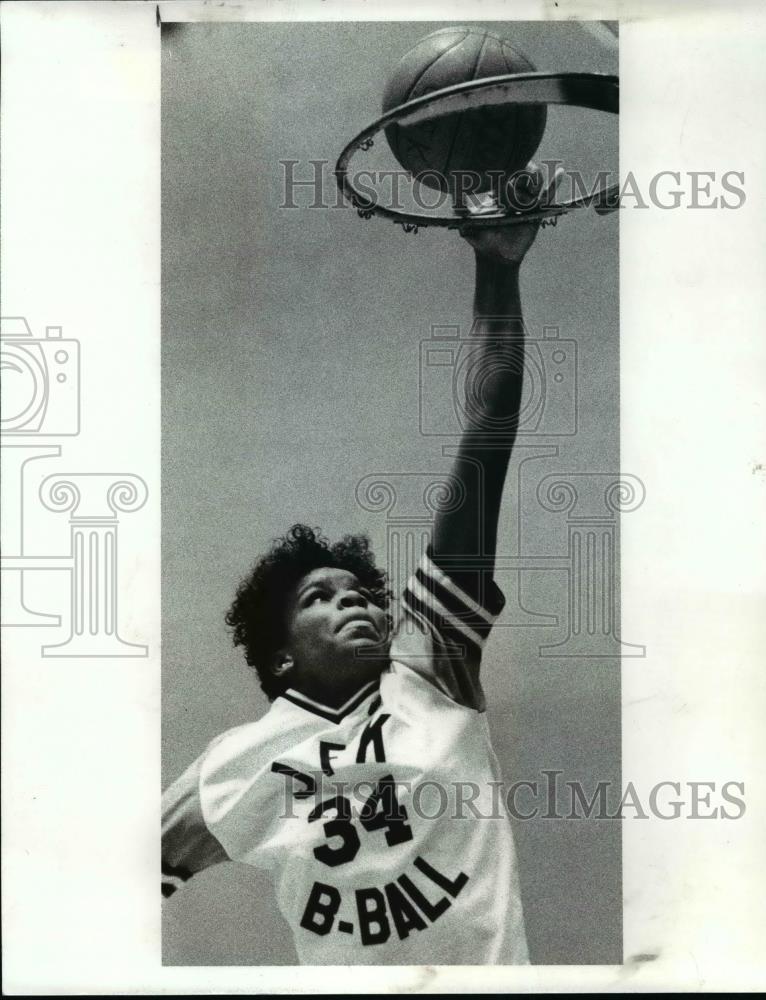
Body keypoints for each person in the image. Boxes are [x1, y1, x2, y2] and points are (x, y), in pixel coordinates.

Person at [162, 169, 558, 965]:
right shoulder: (233, 766)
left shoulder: (429, 671)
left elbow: (489, 427)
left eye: (363, 594)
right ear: (281, 651)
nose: (360, 605)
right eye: (319, 597)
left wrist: (497, 267)